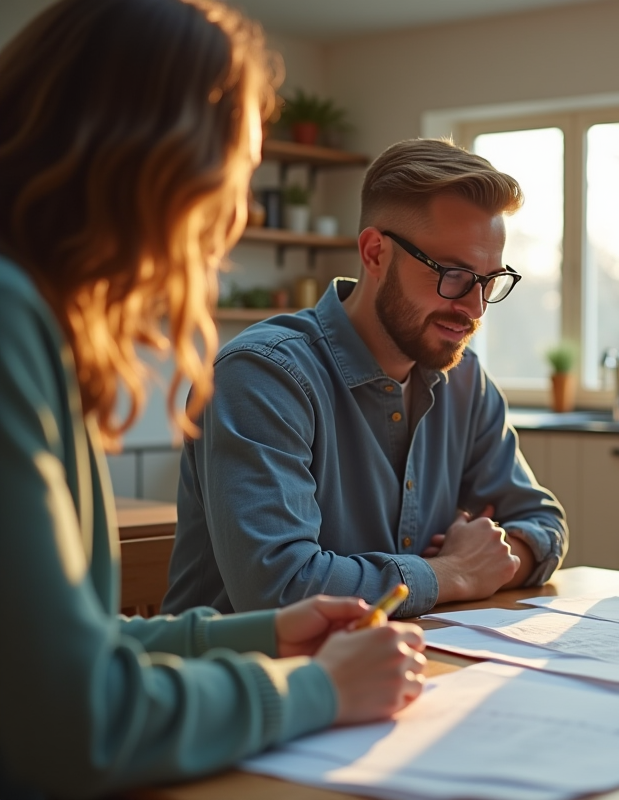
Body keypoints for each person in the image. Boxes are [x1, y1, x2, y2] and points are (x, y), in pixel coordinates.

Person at [0, 2, 426, 797]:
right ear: (147, 168)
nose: (232, 224)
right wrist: (320, 691)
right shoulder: (9, 321)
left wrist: (263, 634)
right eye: (226, 185)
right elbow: (69, 719)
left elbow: (68, 650)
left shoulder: (38, 321)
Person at [163, 138, 566, 619]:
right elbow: (281, 588)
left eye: (489, 281)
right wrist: (453, 572)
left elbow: (542, 524)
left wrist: (495, 559)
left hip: (403, 667)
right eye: (454, 275)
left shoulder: (464, 381)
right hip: (251, 683)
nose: (475, 308)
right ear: (375, 253)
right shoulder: (262, 376)